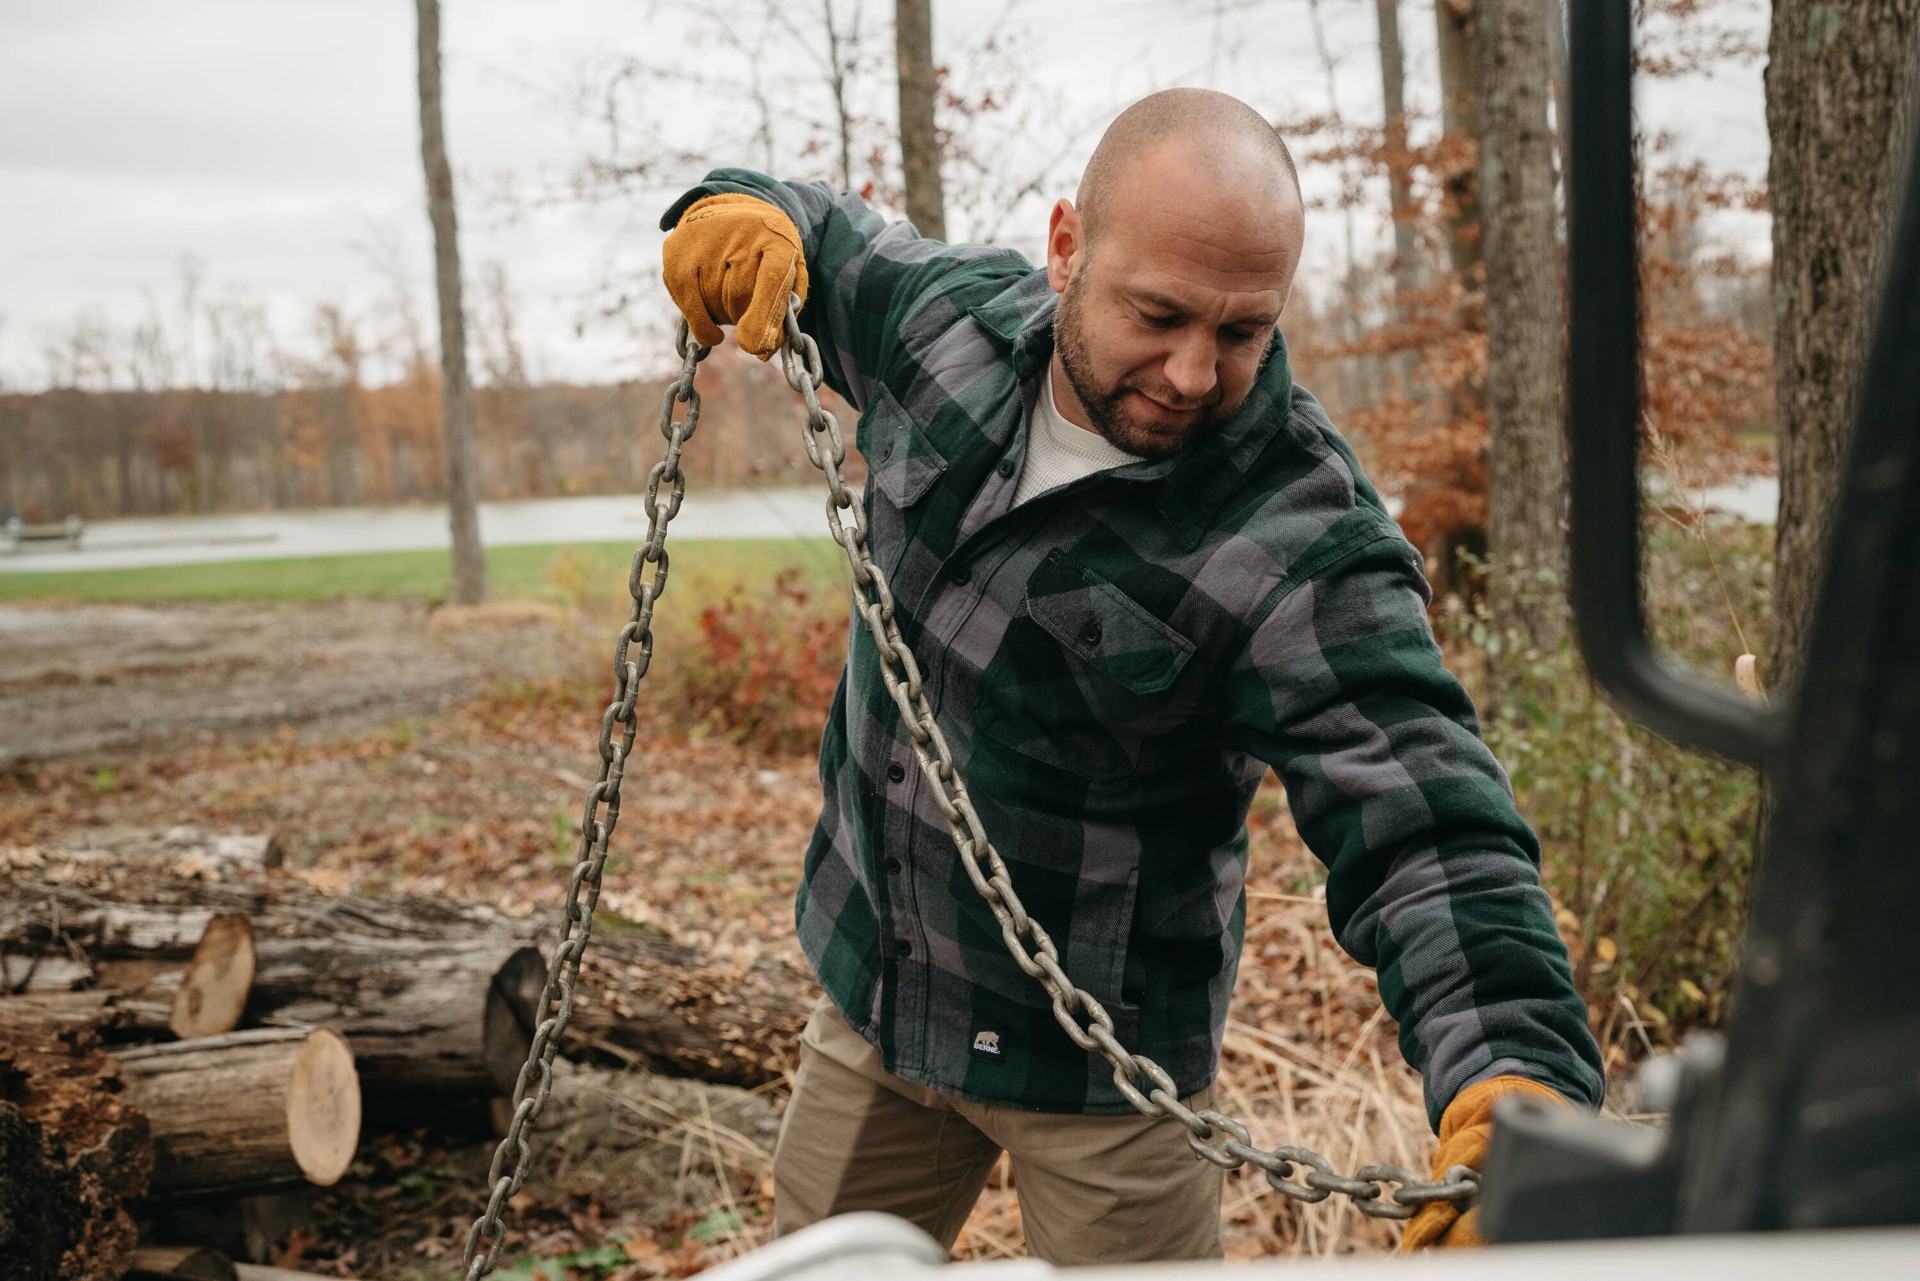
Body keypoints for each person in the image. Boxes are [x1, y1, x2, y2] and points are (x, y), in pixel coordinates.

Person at [658, 87, 1603, 1263]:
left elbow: (1425, 822)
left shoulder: (1301, 536)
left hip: (1110, 1078)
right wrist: (737, 213)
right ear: (1065, 249)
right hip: (885, 997)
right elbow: (820, 234)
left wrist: (1516, 1088)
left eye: (1243, 331)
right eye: (1157, 314)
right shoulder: (942, 331)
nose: (1196, 373)